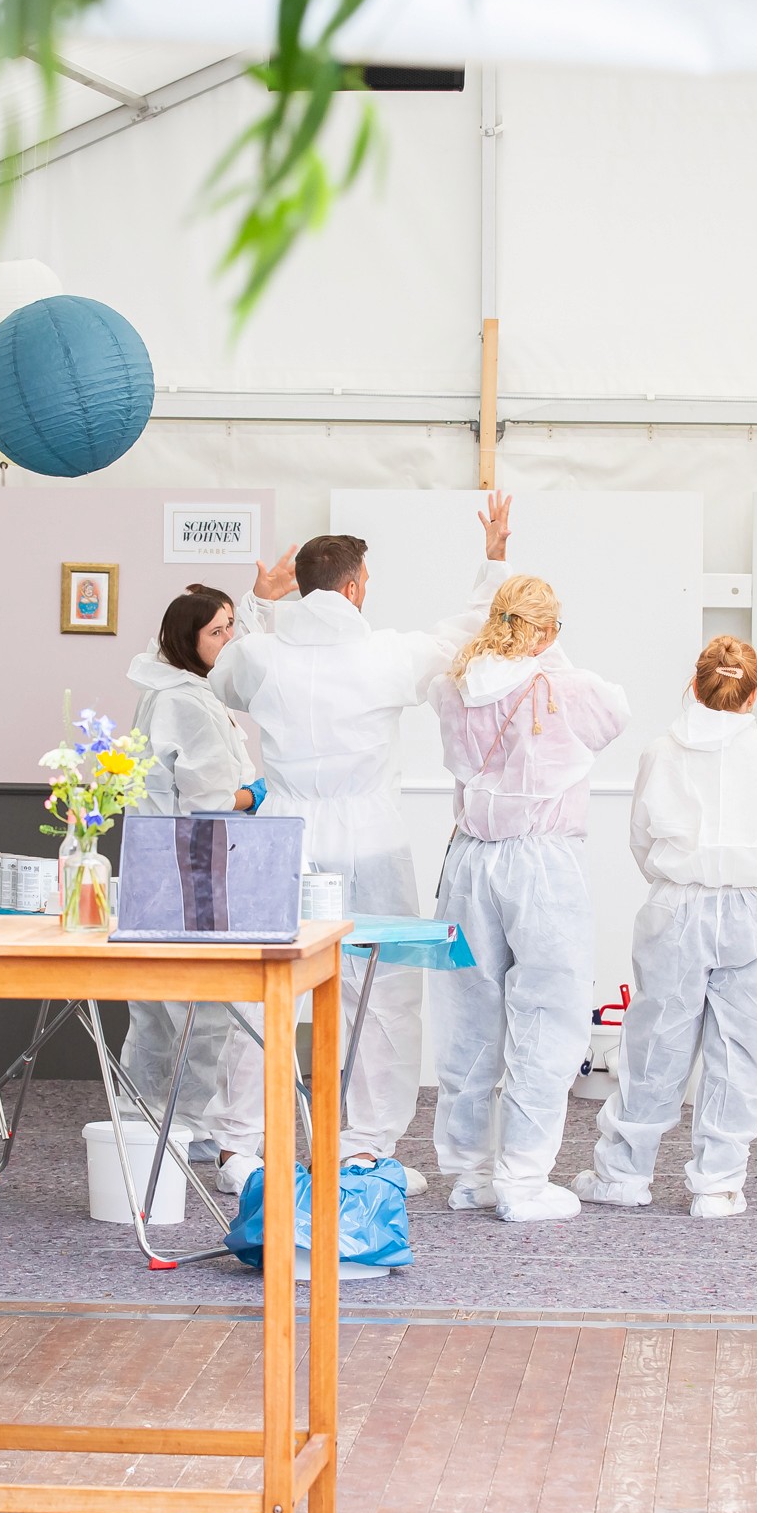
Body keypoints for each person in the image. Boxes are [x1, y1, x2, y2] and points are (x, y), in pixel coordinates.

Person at [202, 496, 516, 1195]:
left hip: (282, 836)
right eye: (365, 581)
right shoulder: (386, 654)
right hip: (368, 842)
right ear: (351, 588)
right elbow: (467, 632)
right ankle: (361, 1149)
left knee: (262, 987)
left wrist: (259, 599)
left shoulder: (262, 656)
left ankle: (237, 1148)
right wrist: (493, 556)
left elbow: (221, 671)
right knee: (380, 992)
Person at [573, 638, 757, 1219]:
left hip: (677, 906)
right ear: (754, 692)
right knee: (746, 1046)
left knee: (655, 1040)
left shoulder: (660, 752)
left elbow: (641, 841)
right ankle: (719, 1182)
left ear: (695, 683)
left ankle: (624, 1173)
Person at [425, 575, 630, 1221]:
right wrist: (549, 650)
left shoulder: (454, 683)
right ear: (546, 633)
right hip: (542, 862)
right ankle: (521, 1178)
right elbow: (614, 714)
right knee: (550, 1014)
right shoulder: (564, 686)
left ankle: (467, 1172)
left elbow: (476, 654)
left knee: (467, 1015)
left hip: (469, 859)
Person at [120, 585, 268, 1157]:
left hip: (158, 864)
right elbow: (207, 797)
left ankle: (149, 1119)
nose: (229, 639)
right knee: (200, 1005)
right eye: (217, 630)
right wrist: (253, 795)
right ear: (188, 638)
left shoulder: (169, 690)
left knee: (157, 1003)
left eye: (232, 626)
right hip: (191, 865)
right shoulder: (185, 700)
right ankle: (187, 1125)